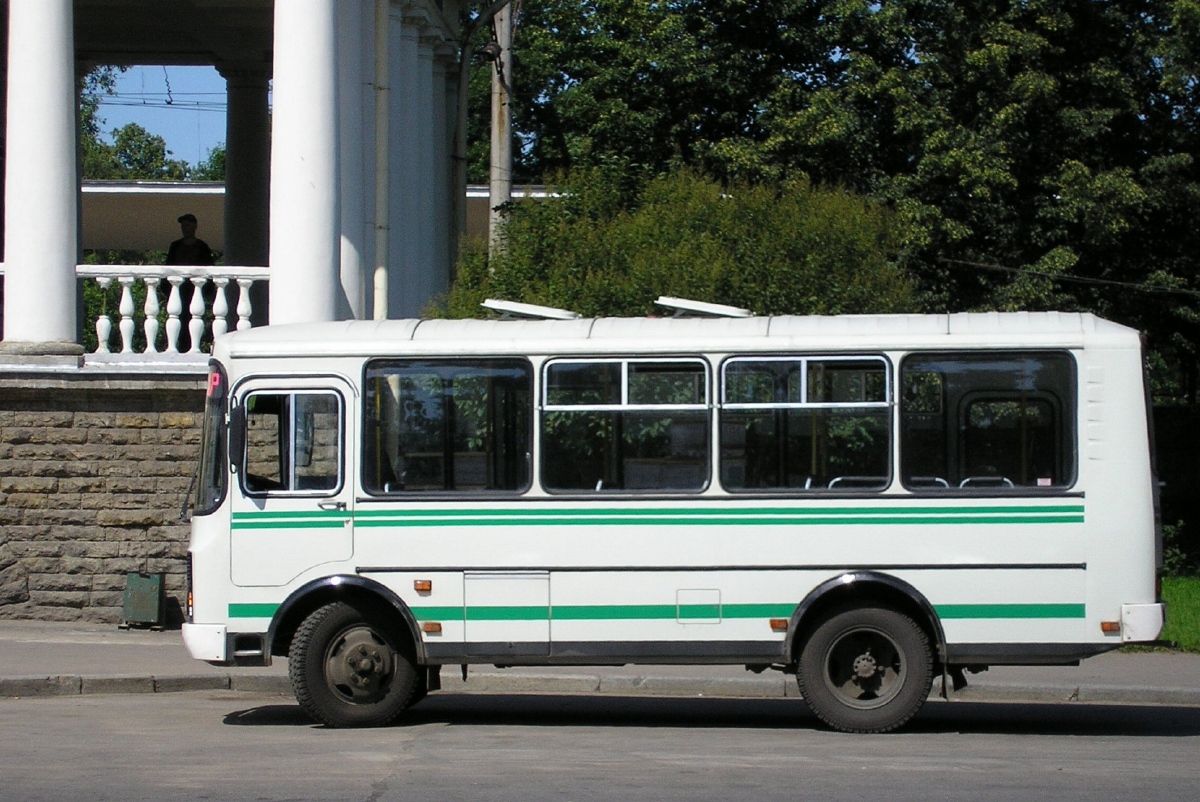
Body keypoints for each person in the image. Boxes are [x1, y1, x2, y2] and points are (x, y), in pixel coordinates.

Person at [163, 213, 215, 352]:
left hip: (194, 292)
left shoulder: (202, 247)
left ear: (195, 226)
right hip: (178, 292)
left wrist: (207, 290)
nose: (185, 228)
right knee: (177, 320)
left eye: (187, 225)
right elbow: (168, 267)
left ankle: (194, 347)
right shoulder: (175, 246)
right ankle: (178, 347)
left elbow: (209, 270)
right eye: (183, 226)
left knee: (194, 320)